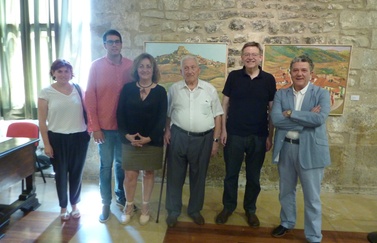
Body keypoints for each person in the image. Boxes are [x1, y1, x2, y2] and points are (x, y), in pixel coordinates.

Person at [270, 55, 331, 243]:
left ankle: (313, 235)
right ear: (290, 72)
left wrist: (292, 114)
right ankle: (287, 222)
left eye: (303, 70)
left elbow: (319, 119)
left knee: (312, 197)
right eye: (295, 70)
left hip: (311, 150)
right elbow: (276, 120)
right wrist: (305, 119)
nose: (299, 73)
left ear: (311, 73)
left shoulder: (321, 94)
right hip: (286, 149)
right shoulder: (281, 94)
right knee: (286, 191)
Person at [215, 41, 276, 227]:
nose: (250, 57)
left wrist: (270, 136)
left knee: (253, 177)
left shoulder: (268, 79)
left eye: (254, 54)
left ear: (260, 57)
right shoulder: (233, 77)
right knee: (230, 175)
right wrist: (224, 130)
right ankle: (228, 207)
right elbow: (224, 104)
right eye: (246, 54)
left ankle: (250, 210)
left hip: (258, 136)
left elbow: (272, 109)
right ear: (242, 57)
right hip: (234, 134)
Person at [164, 55, 223, 228]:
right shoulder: (173, 89)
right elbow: (168, 114)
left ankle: (194, 210)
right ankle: (173, 211)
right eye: (186, 68)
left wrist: (215, 140)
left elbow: (218, 115)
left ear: (198, 69)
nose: (189, 71)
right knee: (175, 176)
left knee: (199, 177)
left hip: (203, 139)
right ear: (181, 71)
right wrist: (167, 131)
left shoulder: (209, 89)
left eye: (192, 67)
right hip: (178, 137)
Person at [85, 29, 133, 223]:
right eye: (110, 42)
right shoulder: (95, 67)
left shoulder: (131, 66)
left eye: (117, 41)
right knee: (106, 166)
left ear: (121, 44)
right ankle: (105, 202)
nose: (114, 45)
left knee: (122, 165)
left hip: (124, 129)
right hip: (103, 129)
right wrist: (94, 127)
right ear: (104, 45)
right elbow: (89, 98)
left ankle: (121, 195)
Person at [116, 53, 167, 225]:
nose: (145, 70)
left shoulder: (160, 92)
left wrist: (150, 138)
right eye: (142, 66)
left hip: (152, 142)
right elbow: (120, 114)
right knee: (130, 175)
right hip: (130, 140)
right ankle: (129, 206)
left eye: (148, 66)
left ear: (153, 70)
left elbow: (162, 118)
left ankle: (145, 206)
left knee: (148, 174)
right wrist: (126, 135)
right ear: (136, 69)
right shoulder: (128, 89)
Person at [38, 59, 90, 221]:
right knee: (61, 174)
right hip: (57, 138)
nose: (63, 74)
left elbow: (88, 112)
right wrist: (46, 144)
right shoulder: (45, 92)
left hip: (79, 137)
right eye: (59, 71)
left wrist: (89, 132)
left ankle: (74, 205)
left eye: (66, 71)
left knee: (76, 173)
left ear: (71, 73)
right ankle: (62, 207)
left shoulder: (78, 89)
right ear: (53, 73)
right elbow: (42, 121)